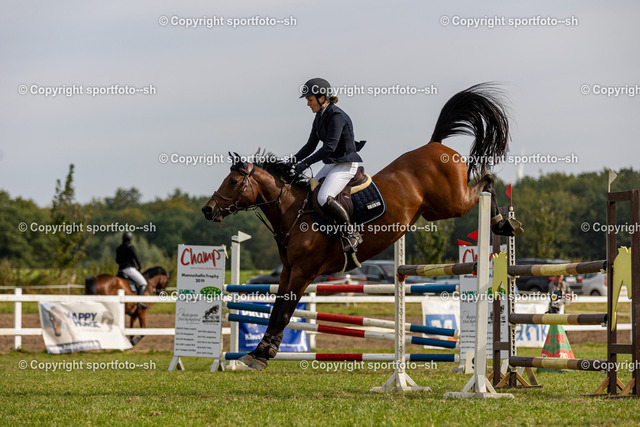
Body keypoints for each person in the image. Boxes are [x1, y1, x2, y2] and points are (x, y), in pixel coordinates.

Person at [291, 77, 365, 253]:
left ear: (322, 97)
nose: (308, 104)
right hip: (333, 163)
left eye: (310, 99)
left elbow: (329, 147)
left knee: (323, 197)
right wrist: (292, 161)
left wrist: (306, 163)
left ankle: (351, 233)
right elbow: (310, 145)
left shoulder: (336, 116)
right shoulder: (319, 117)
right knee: (309, 190)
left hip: (346, 164)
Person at [116, 232, 148, 308]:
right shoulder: (131, 247)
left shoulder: (119, 248)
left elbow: (117, 260)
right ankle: (139, 302)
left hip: (120, 270)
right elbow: (136, 258)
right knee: (143, 283)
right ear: (130, 238)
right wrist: (140, 266)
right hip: (129, 269)